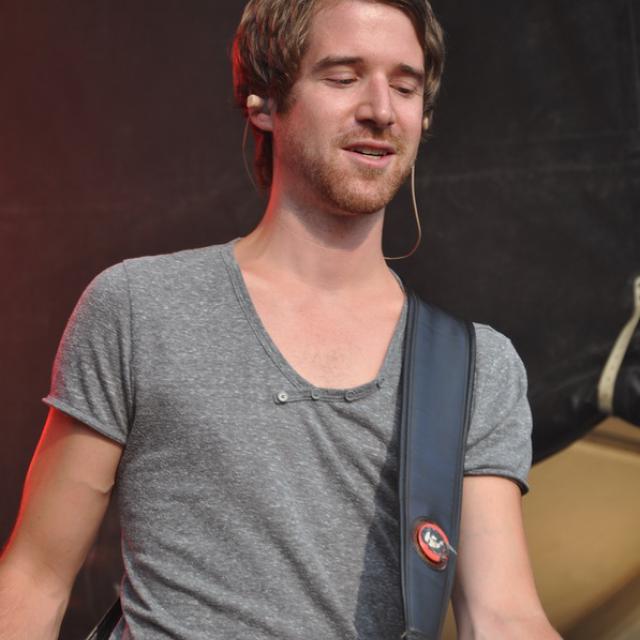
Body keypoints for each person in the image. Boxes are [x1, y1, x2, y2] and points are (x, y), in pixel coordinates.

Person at [0, 0, 561, 638]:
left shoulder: (474, 368)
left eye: (405, 87)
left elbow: (504, 615)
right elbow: (35, 579)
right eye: (343, 77)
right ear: (264, 101)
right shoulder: (137, 307)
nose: (381, 109)